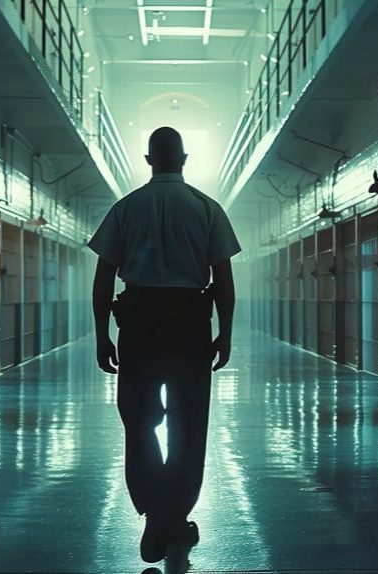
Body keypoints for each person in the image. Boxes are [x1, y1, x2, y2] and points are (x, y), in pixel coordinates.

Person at [89, 126, 241, 563]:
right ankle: (174, 514)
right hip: (190, 324)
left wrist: (103, 336)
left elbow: (102, 281)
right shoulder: (207, 209)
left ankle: (154, 510)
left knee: (138, 420)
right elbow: (224, 282)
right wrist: (224, 332)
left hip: (138, 324)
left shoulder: (125, 209)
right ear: (185, 158)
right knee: (188, 423)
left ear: (148, 159)